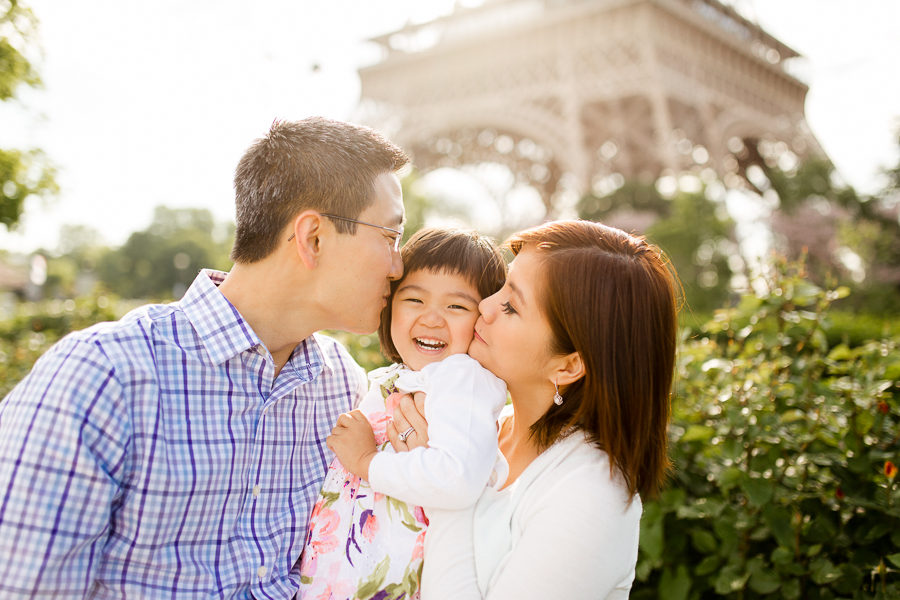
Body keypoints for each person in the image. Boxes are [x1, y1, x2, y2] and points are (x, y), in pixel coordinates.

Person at [0, 117, 409, 598]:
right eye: (390, 236)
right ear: (313, 237)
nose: (399, 266)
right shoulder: (102, 377)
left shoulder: (344, 383)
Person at [340, 219, 678, 599]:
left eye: (511, 306)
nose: (483, 306)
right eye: (501, 287)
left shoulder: (592, 493)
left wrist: (445, 484)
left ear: (567, 365)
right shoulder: (475, 423)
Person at [297, 227, 509, 600]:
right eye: (414, 299)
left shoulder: (462, 379)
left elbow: (456, 479)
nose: (432, 318)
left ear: (484, 320)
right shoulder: (399, 380)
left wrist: (365, 460)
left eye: (456, 306)